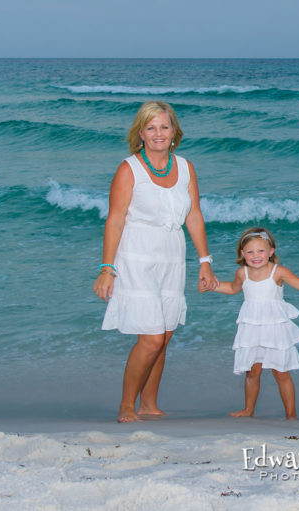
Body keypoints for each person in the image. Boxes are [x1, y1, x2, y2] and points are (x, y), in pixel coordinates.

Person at [93, 101, 217, 423]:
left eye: (164, 126)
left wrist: (205, 261)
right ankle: (126, 406)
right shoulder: (128, 169)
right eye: (151, 128)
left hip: (172, 255)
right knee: (150, 338)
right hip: (136, 255)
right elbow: (115, 220)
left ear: (174, 131)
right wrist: (107, 269)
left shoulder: (186, 168)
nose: (158, 133)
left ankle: (149, 404)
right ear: (141, 133)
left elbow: (193, 215)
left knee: (165, 333)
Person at [214, 227, 299, 420]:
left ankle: (291, 414)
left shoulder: (278, 272)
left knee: (281, 372)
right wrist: (212, 285)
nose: (256, 256)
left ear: (271, 251)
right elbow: (231, 288)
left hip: (275, 328)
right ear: (242, 254)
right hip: (252, 328)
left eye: (261, 251)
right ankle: (248, 410)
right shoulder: (242, 273)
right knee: (252, 371)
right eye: (250, 252)